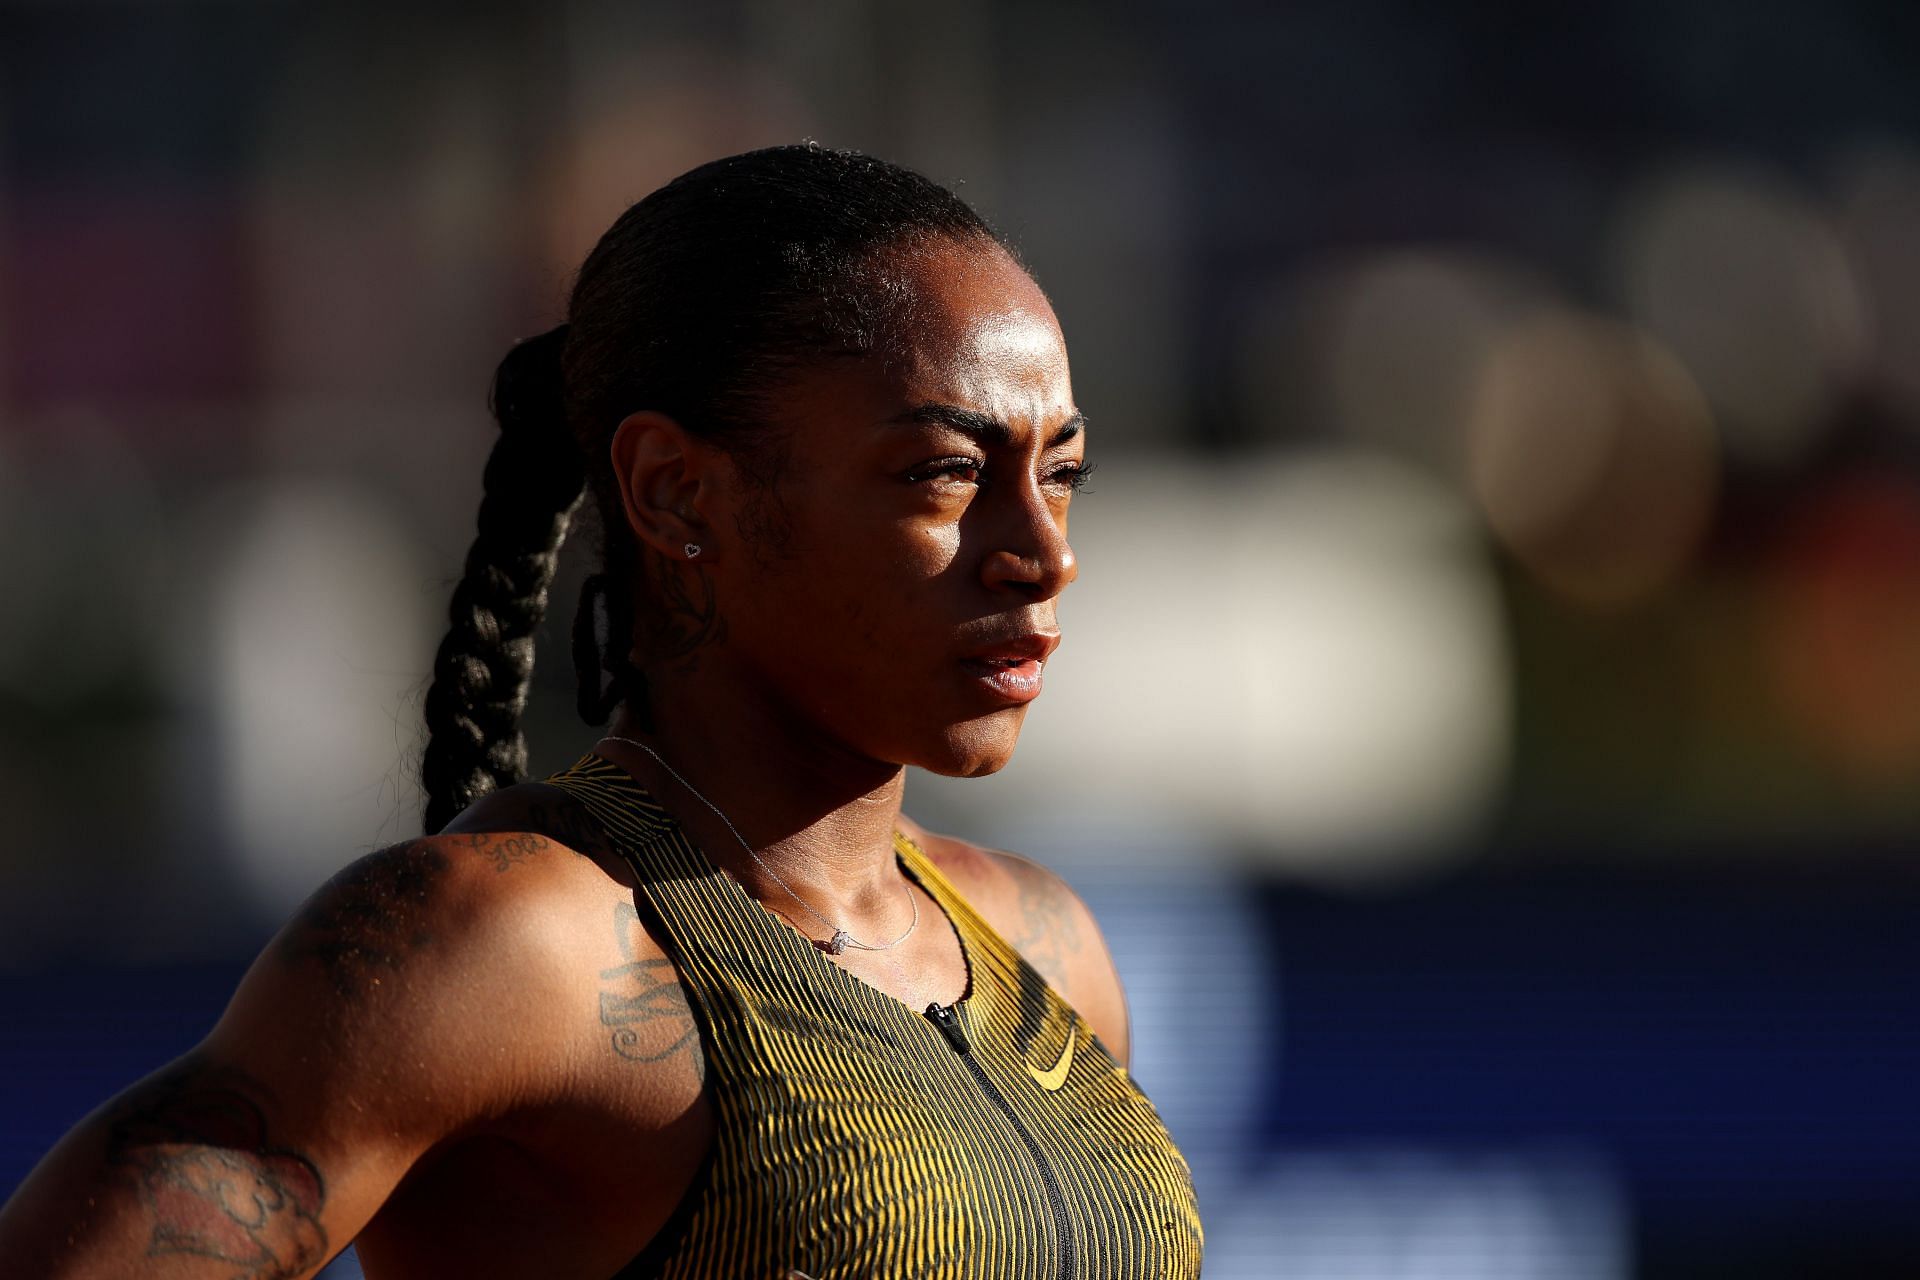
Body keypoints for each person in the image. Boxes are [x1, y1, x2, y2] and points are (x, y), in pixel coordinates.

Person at [0, 144, 1204, 1279]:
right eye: (944, 471)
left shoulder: (1045, 943)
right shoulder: (515, 943)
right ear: (677, 491)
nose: (1043, 555)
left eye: (1062, 474)